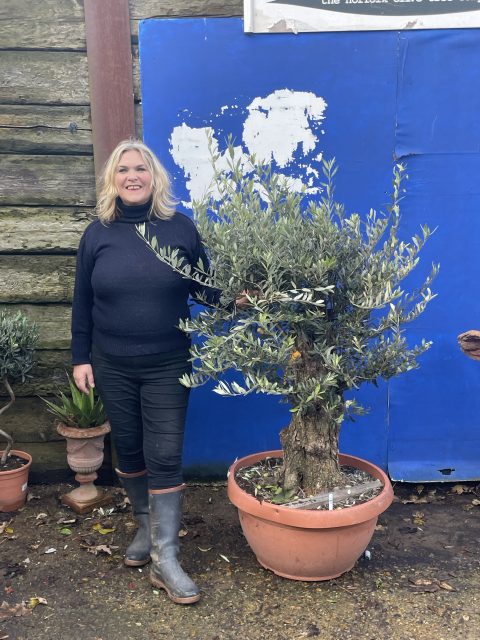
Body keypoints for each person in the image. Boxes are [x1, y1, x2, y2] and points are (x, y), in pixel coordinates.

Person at [71, 139, 218, 605]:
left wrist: (244, 292)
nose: (132, 176)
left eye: (141, 169)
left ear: (154, 177)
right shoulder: (97, 235)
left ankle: (167, 559)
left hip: (168, 363)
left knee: (166, 453)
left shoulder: (180, 230)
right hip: (111, 363)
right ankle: (145, 529)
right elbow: (81, 304)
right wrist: (81, 357)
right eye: (123, 170)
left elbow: (209, 289)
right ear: (112, 180)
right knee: (130, 448)